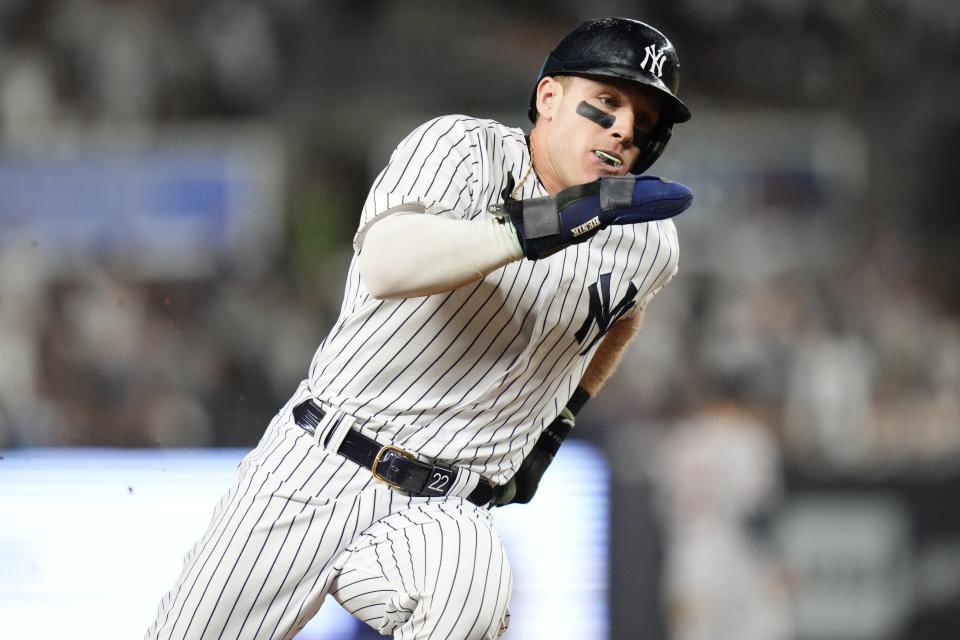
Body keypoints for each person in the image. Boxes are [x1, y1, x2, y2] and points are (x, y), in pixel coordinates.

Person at [146, 16, 693, 640]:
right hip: (322, 462)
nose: (624, 128)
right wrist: (544, 223)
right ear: (548, 97)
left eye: (644, 122)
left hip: (444, 507)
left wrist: (559, 424)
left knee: (474, 600)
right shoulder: (460, 149)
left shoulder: (647, 240)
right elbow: (386, 263)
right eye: (606, 102)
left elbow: (625, 315)